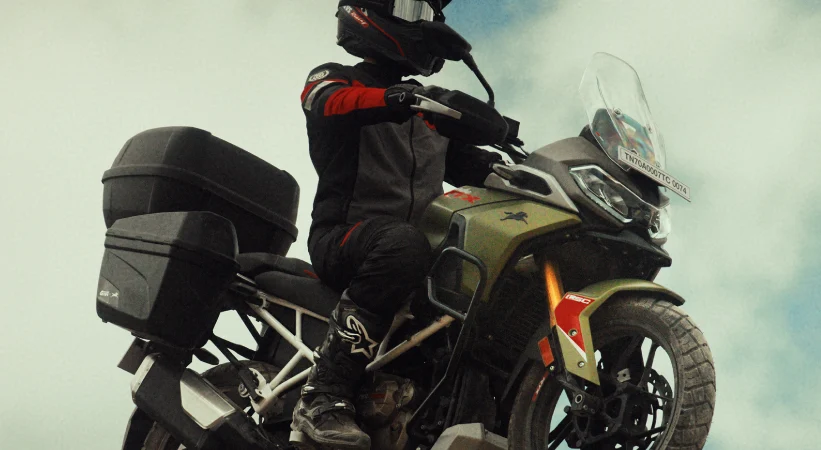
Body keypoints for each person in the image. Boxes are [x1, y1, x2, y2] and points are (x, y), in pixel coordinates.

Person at [293, 1, 503, 448]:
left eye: (428, 12)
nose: (423, 21)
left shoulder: (429, 111)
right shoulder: (335, 79)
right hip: (345, 239)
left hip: (418, 259)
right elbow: (325, 101)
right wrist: (397, 99)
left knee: (485, 287)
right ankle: (321, 394)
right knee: (403, 245)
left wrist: (525, 169)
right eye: (411, 6)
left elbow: (472, 165)